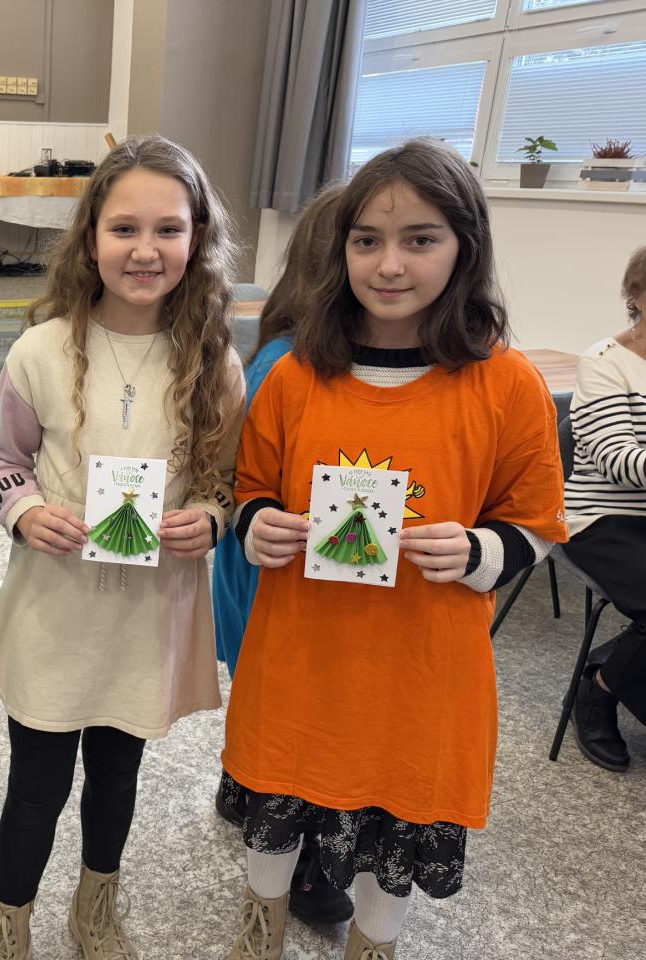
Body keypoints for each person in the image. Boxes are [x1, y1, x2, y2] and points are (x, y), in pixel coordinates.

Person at [220, 139, 567, 960]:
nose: (389, 264)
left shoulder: (505, 383)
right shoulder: (298, 374)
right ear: (341, 249)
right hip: (303, 653)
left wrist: (480, 549)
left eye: (420, 239)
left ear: (465, 247)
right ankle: (257, 937)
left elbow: (536, 523)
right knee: (278, 808)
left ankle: (374, 946)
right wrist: (258, 524)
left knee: (397, 826)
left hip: (421, 666)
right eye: (367, 240)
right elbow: (252, 487)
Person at [0, 134, 246, 960]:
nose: (145, 249)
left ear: (197, 239)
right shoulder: (41, 351)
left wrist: (210, 518)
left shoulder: (213, 363)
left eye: (168, 229)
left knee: (118, 774)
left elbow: (224, 481)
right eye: (124, 228)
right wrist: (24, 512)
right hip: (56, 610)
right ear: (90, 237)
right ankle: (10, 918)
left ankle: (95, 906)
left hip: (145, 612)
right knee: (36, 784)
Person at [210, 185, 353, 927]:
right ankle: (296, 856)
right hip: (269, 573)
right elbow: (251, 482)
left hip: (307, 577)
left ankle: (243, 787)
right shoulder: (284, 363)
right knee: (289, 706)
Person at [563, 245, 646, 773]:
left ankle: (615, 660)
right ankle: (599, 689)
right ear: (637, 295)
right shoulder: (604, 362)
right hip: (602, 517)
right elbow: (616, 459)